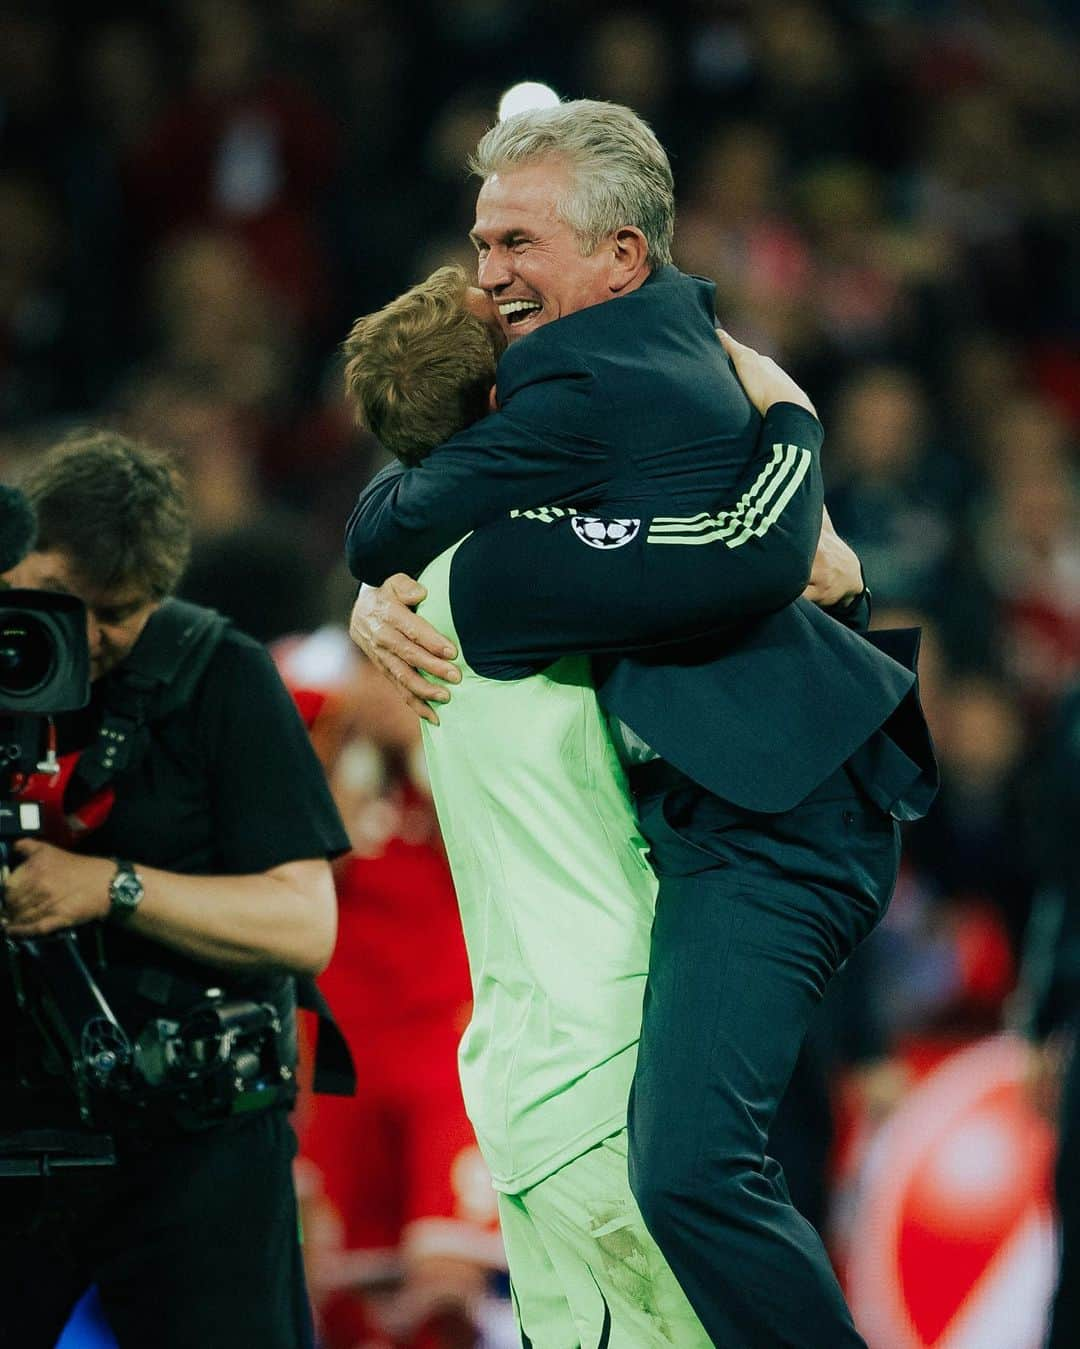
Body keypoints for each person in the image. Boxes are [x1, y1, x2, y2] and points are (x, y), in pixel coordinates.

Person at [346, 100, 937, 1348]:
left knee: (688, 1173)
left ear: (620, 257)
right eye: (481, 245)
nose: (489, 274)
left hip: (772, 816)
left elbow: (758, 550)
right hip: (736, 805)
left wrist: (797, 432)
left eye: (515, 245)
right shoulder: (665, 347)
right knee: (712, 1168)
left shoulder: (584, 377)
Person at [0, 431, 350, 1349]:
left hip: (197, 1144)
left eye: (122, 611)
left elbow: (306, 923)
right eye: (61, 603)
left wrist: (107, 886)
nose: (90, 637)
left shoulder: (219, 675)